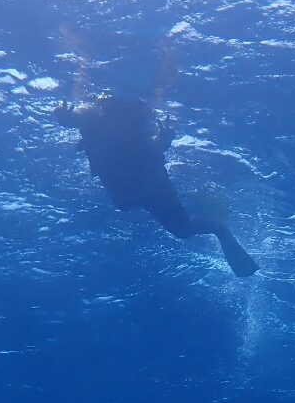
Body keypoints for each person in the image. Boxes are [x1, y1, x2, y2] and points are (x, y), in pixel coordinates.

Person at [54, 96, 259, 277]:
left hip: (153, 189)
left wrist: (165, 138)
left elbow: (153, 146)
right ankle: (217, 227)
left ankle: (219, 229)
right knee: (179, 227)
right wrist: (66, 117)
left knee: (183, 230)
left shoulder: (134, 124)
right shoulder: (97, 118)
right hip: (135, 191)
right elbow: (82, 115)